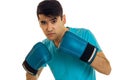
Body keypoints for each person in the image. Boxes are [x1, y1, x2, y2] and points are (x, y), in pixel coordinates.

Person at [24, 0, 111, 80]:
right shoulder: (45, 46)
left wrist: (84, 51)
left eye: (53, 21)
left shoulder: (84, 34)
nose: (49, 28)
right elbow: (32, 77)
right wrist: (31, 69)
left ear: (63, 19)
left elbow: (107, 70)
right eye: (43, 23)